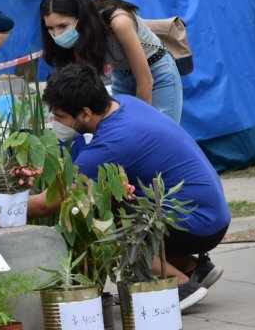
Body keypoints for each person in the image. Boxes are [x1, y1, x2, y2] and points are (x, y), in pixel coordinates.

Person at [25, 64, 230, 310]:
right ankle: (194, 267)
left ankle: (179, 285)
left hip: (197, 224)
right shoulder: (123, 103)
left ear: (85, 114)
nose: (54, 123)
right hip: (211, 213)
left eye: (59, 117)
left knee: (103, 218)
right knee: (121, 197)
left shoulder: (110, 144)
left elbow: (44, 205)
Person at [40, 0, 183, 123]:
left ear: (81, 16)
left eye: (63, 26)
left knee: (156, 132)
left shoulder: (119, 22)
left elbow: (145, 81)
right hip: (121, 75)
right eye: (50, 28)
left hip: (156, 73)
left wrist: (140, 125)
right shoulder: (78, 36)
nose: (57, 34)